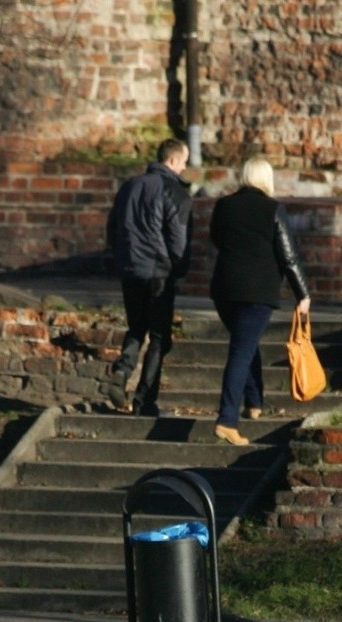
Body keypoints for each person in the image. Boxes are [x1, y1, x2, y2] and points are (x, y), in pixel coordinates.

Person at [209, 156, 311, 445]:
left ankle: (254, 402)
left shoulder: (223, 205)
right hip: (257, 293)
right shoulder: (273, 209)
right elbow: (288, 256)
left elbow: (217, 239)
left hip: (224, 290)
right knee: (241, 350)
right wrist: (302, 293)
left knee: (245, 343)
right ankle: (227, 420)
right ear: (267, 178)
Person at [106, 138, 193, 417]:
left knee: (136, 326)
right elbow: (179, 239)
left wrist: (121, 258)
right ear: (172, 161)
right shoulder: (174, 191)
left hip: (129, 268)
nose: (185, 167)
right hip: (158, 272)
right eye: (183, 161)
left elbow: (113, 227)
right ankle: (145, 401)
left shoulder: (130, 186)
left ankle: (122, 369)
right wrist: (178, 268)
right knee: (159, 337)